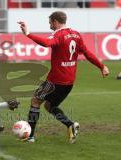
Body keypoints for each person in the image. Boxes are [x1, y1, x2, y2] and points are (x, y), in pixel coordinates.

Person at [17, 11, 109, 143]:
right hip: (69, 82)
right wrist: (101, 66)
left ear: (55, 21)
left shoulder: (59, 34)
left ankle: (30, 136)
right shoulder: (76, 34)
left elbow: (47, 43)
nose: (50, 26)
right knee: (49, 106)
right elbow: (87, 53)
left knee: (35, 101)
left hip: (55, 80)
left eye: (50, 23)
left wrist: (28, 34)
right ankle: (70, 125)